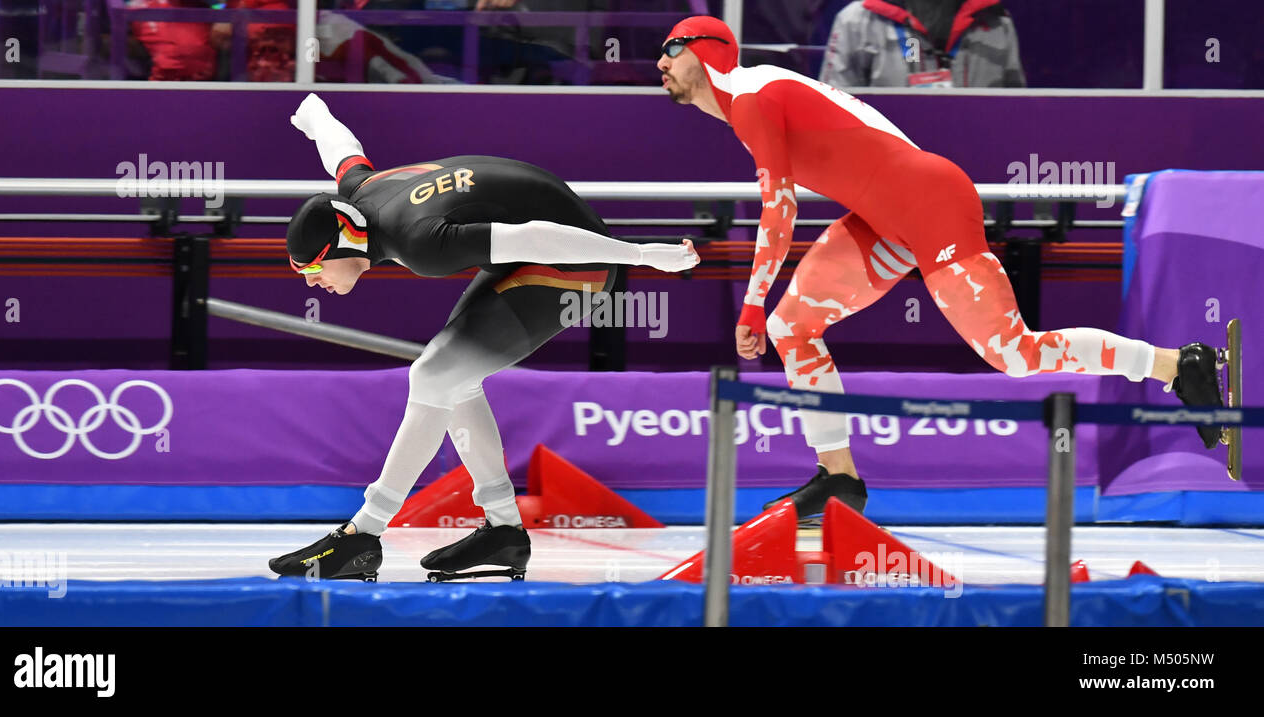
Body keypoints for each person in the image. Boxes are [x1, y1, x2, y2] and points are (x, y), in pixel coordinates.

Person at [656, 16, 1228, 521]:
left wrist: (751, 301)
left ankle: (1179, 366)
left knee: (1014, 353)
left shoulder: (752, 95)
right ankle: (839, 479)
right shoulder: (751, 100)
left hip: (929, 204)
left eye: (672, 46)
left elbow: (780, 208)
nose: (660, 60)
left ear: (706, 49)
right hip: (883, 215)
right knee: (792, 328)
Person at [268, 94, 699, 581]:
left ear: (345, 239)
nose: (311, 282)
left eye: (313, 268)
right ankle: (504, 531)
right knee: (453, 379)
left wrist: (641, 255)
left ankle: (362, 535)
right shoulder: (359, 193)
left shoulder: (419, 240)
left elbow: (537, 237)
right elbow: (343, 152)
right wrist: (315, 117)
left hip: (574, 255)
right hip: (531, 245)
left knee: (433, 375)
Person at [819, 0, 1025, 88]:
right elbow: (830, 116)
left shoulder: (998, 24)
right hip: (885, 169)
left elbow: (1015, 114)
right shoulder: (856, 22)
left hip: (975, 167)